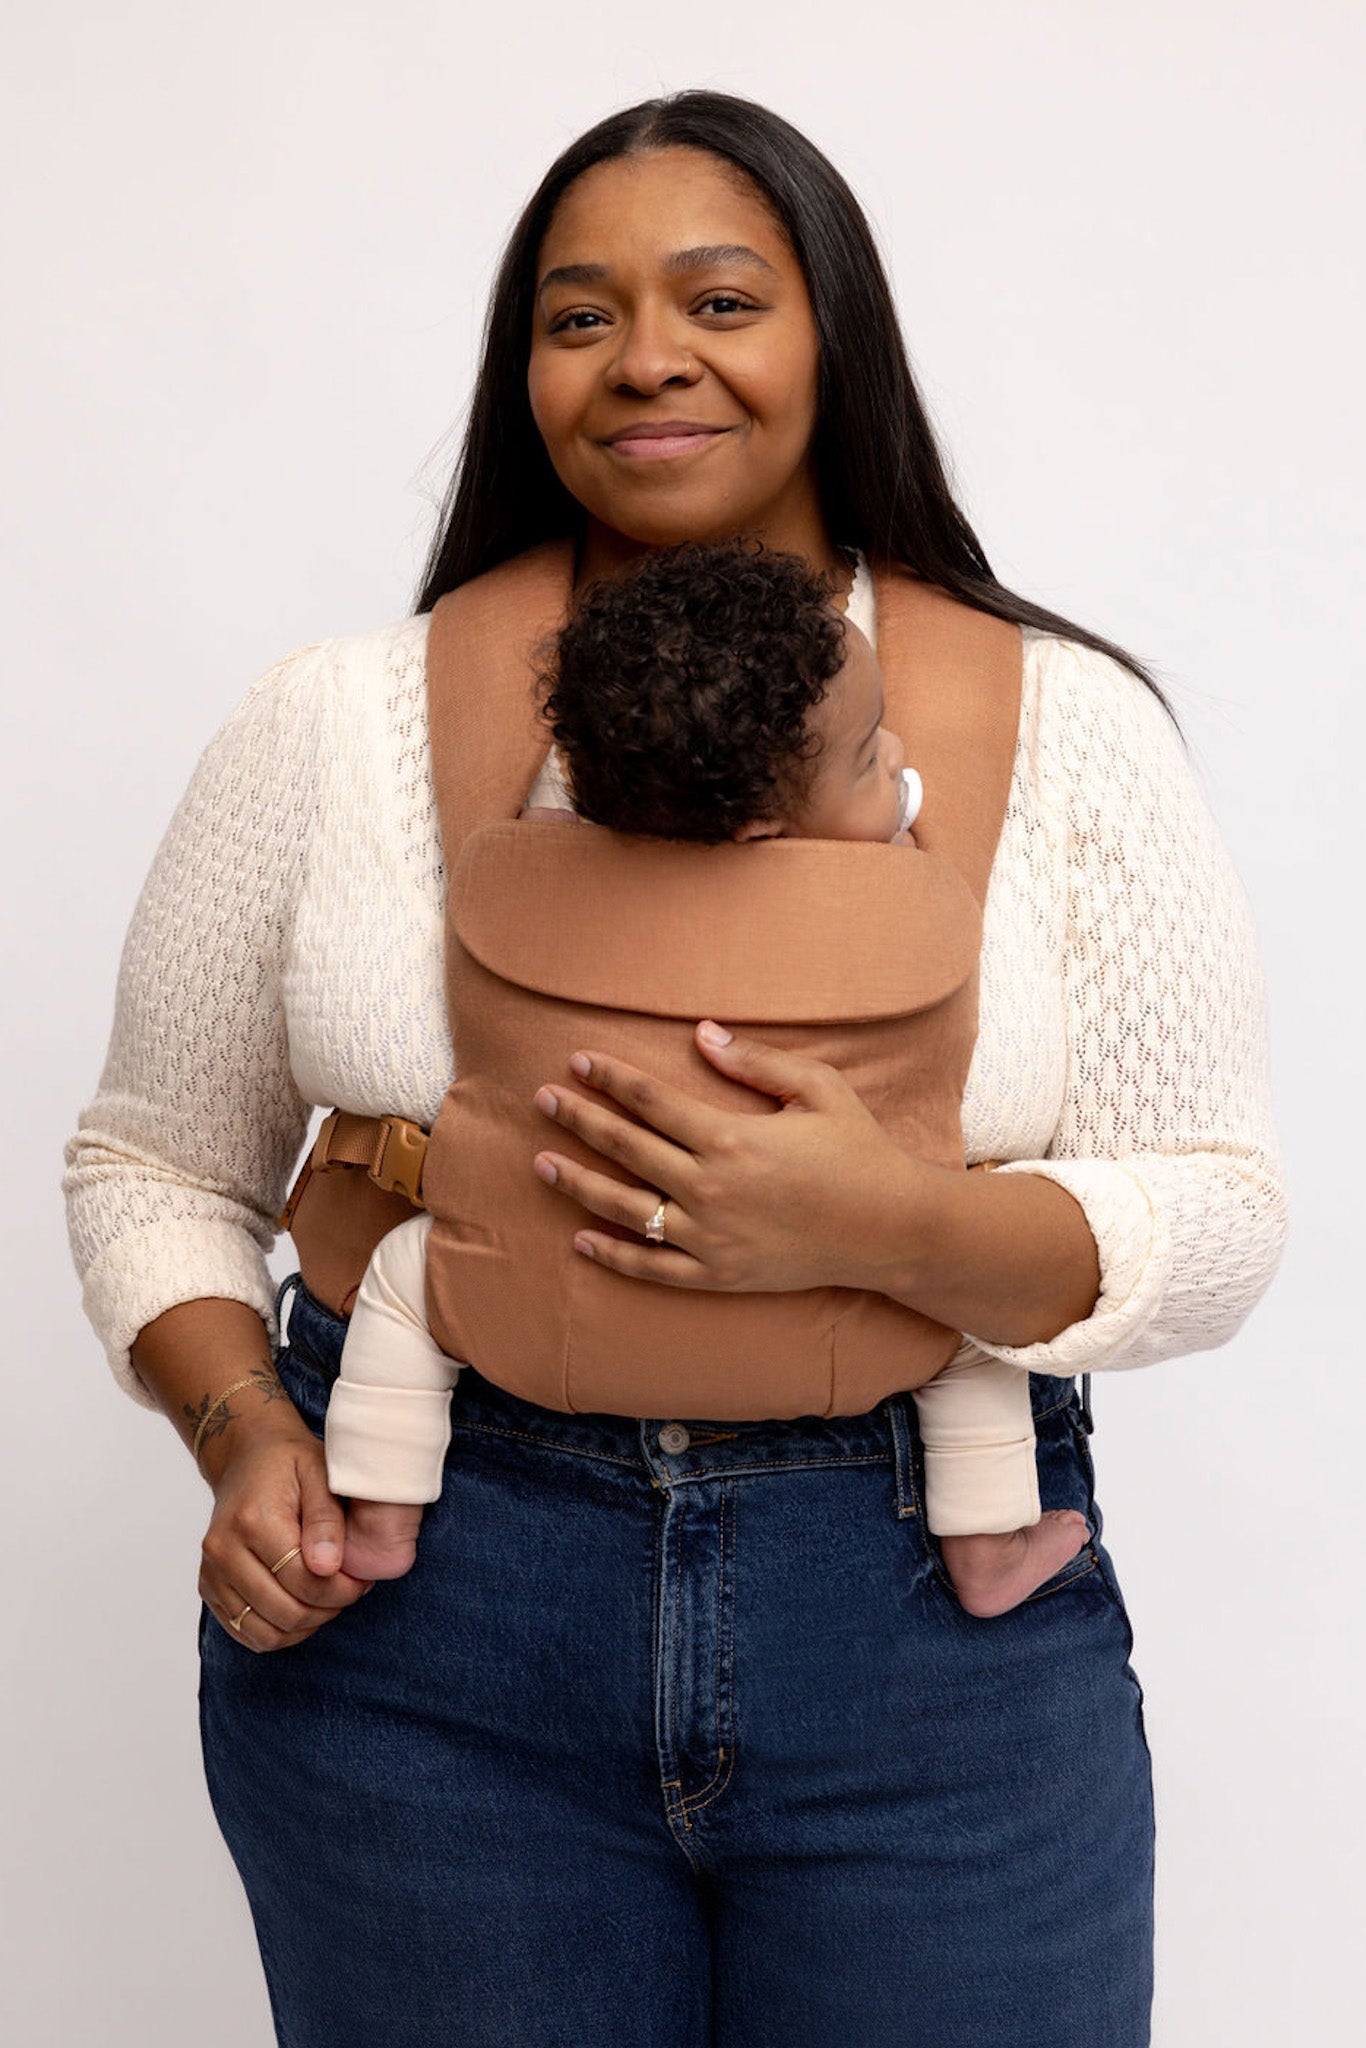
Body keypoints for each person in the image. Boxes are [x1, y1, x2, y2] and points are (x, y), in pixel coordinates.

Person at [61, 87, 1287, 2048]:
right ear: (521, 369)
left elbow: (1217, 1207)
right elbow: (148, 1160)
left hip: (919, 1617)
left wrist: (886, 1226)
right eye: (577, 315)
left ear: (833, 341)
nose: (645, 357)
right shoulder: (334, 726)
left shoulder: (1058, 727)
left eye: (719, 298)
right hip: (430, 1612)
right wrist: (246, 1436)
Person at [326, 536, 1089, 1620]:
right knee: (973, 1337)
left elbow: (566, 808)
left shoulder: (524, 870)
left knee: (404, 1278)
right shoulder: (907, 900)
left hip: (535, 1308)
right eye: (873, 753)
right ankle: (989, 1541)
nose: (902, 756)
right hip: (860, 1320)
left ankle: (381, 1513)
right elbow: (897, 817)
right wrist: (893, 808)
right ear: (762, 824)